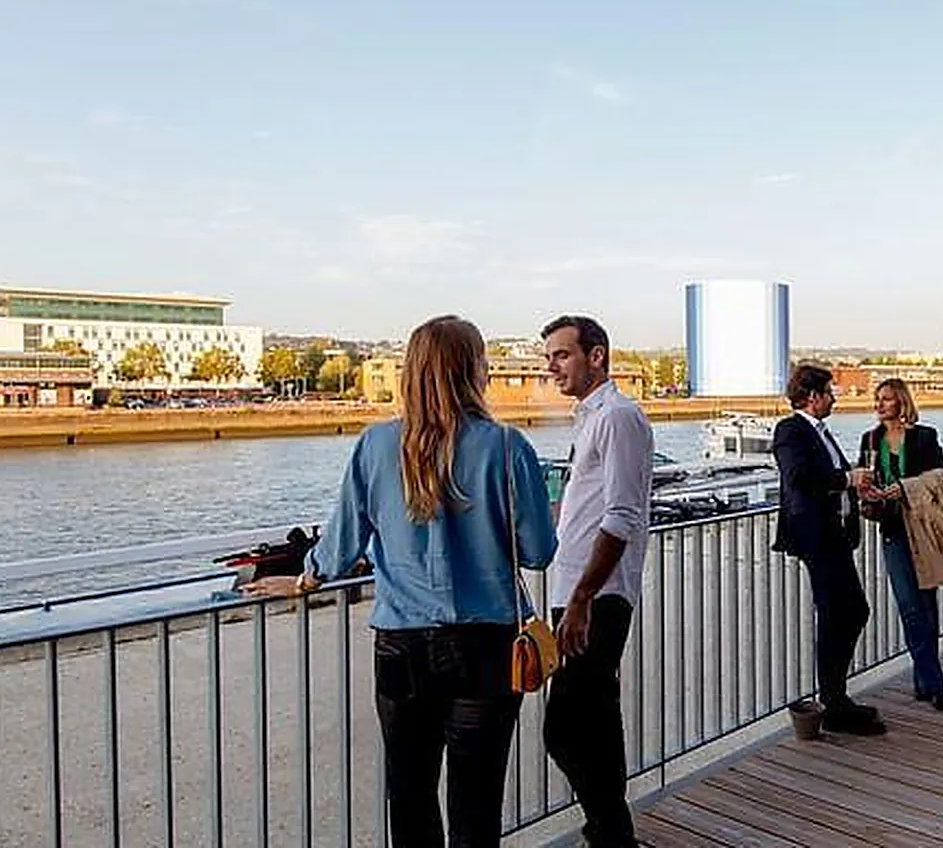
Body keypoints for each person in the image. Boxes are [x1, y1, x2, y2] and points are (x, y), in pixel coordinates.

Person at [245, 315, 557, 848]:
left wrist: (303, 580)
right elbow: (538, 552)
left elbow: (341, 547)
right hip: (485, 645)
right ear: (472, 370)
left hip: (402, 647)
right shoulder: (507, 448)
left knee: (409, 795)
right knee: (476, 800)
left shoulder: (375, 445)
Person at [542, 314, 652, 847]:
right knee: (596, 722)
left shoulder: (617, 417)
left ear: (597, 355)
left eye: (561, 355)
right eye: (548, 358)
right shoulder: (590, 419)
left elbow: (622, 516)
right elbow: (588, 509)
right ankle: (611, 832)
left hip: (598, 595)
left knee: (563, 729)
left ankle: (611, 831)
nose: (551, 367)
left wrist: (583, 597)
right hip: (581, 591)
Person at [771, 364, 885, 734]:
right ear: (813, 396)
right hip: (816, 537)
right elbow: (798, 477)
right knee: (844, 610)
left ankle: (835, 697)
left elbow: (832, 480)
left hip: (834, 535)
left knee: (848, 611)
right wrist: (845, 478)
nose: (835, 398)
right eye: (829, 392)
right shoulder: (791, 430)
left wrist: (856, 487)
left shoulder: (822, 433)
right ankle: (834, 702)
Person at [857, 378, 943, 709]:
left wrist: (905, 487)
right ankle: (935, 681)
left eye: (886, 399)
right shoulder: (870, 439)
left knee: (927, 606)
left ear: (901, 402)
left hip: (923, 529)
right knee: (910, 607)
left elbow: (942, 477)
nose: (879, 405)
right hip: (893, 530)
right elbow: (863, 477)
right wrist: (867, 492)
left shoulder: (924, 437)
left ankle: (923, 679)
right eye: (877, 399)